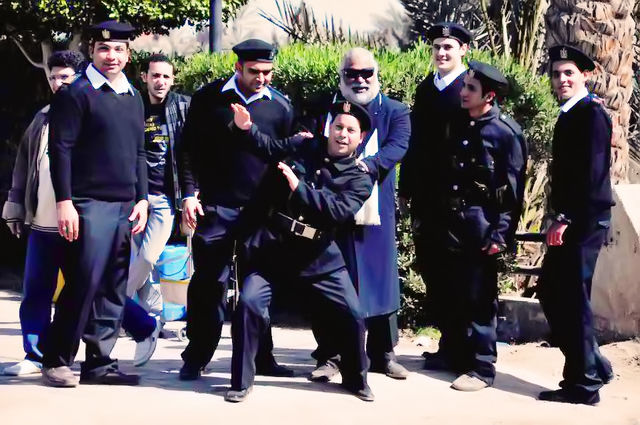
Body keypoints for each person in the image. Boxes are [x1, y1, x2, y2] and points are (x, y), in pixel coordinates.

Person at [2, 50, 158, 376]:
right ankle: (43, 355)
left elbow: (135, 153)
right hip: (50, 218)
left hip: (99, 212)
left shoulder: (115, 101)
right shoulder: (46, 115)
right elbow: (29, 164)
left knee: (101, 286)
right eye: (52, 77)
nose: (58, 83)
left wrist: (141, 198)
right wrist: (19, 206)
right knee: (49, 288)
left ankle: (114, 349)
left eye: (64, 77)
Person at [226, 100, 374, 402]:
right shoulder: (304, 145)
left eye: (350, 131)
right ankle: (241, 382)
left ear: (360, 139)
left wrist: (299, 188)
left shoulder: (360, 177)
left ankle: (356, 379)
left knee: (353, 315)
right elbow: (269, 147)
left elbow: (335, 211)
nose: (342, 134)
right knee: (249, 304)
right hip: (275, 249)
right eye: (338, 127)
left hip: (320, 256)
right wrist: (246, 128)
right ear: (329, 128)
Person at [177, 39, 295, 381]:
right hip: (216, 208)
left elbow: (286, 158)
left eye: (268, 72)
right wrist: (189, 194)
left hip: (260, 213)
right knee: (208, 286)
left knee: (256, 287)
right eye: (254, 71)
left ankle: (262, 357)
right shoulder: (208, 99)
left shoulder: (281, 106)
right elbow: (188, 150)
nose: (262, 78)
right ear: (237, 68)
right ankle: (196, 356)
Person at [41, 20, 149, 387]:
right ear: (92, 51)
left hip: (125, 206)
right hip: (87, 204)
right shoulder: (76, 93)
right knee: (83, 282)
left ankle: (100, 363)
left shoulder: (132, 95)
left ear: (128, 54)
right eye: (104, 49)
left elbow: (139, 152)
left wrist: (143, 199)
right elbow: (61, 150)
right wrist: (65, 202)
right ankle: (57, 360)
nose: (111, 56)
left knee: (113, 288)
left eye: (119, 49)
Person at [304, 48, 411, 381]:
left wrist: (368, 166)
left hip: (375, 211)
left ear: (377, 74)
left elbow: (398, 146)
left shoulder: (395, 111)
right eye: (352, 74)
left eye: (366, 73)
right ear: (342, 77)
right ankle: (330, 356)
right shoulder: (325, 109)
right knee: (330, 281)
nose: (360, 80)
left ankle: (383, 353)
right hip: (332, 209)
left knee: (380, 281)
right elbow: (313, 145)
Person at [440, 61, 526, 391]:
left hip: (483, 227)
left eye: (471, 89)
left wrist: (501, 234)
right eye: (464, 86)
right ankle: (458, 357)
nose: (463, 92)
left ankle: (482, 368)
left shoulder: (505, 133)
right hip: (455, 223)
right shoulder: (460, 123)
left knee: (480, 298)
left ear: (489, 96)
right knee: (455, 293)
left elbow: (512, 192)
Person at [537, 45, 615, 405]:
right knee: (553, 292)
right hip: (574, 219)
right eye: (556, 74)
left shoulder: (591, 114)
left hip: (583, 221)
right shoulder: (571, 113)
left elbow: (591, 174)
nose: (561, 79)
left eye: (569, 73)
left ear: (585, 75)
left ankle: (584, 384)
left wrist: (565, 218)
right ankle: (593, 366)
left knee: (569, 298)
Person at [398, 22, 472, 370]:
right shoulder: (426, 88)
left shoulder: (469, 87)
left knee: (459, 276)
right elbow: (415, 144)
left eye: (448, 47)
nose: (442, 53)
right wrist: (406, 189)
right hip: (428, 199)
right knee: (434, 272)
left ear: (463, 50)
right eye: (437, 47)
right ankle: (448, 345)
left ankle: (465, 349)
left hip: (458, 200)